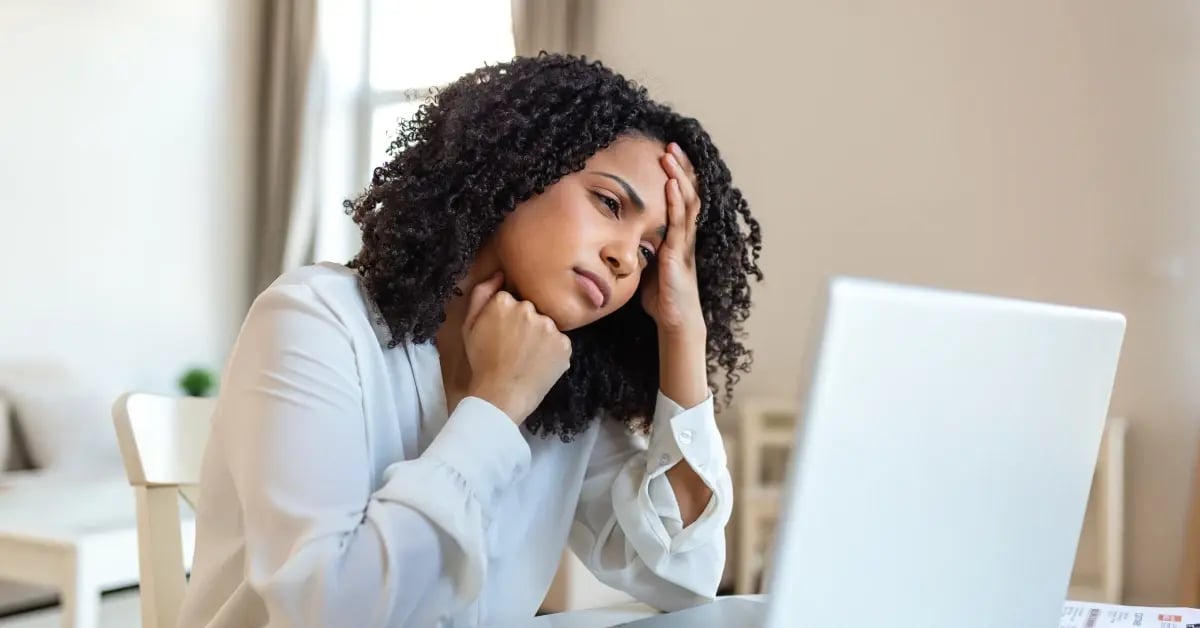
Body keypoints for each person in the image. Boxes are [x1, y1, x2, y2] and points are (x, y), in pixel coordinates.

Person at [178, 53, 763, 628]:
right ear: (520, 167)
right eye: (608, 204)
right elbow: (329, 613)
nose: (622, 259)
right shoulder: (316, 321)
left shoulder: (565, 388)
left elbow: (682, 576)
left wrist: (683, 331)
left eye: (647, 252)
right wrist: (496, 404)